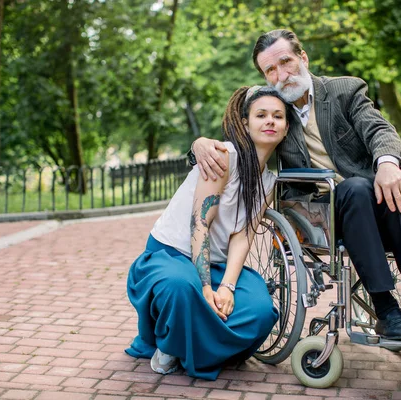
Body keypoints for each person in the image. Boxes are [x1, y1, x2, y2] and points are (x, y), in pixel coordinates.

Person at [190, 29, 401, 351]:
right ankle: (386, 309)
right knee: (354, 189)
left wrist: (387, 164)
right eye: (270, 70)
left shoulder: (345, 90)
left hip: (377, 201)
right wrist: (198, 144)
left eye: (286, 62)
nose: (281, 75)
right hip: (323, 212)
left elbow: (379, 127)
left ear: (303, 58)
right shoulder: (275, 112)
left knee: (398, 186)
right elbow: (235, 133)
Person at [125, 86, 291, 381]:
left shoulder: (269, 181)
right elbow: (199, 224)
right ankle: (171, 345)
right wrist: (205, 289)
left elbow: (244, 236)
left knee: (260, 309)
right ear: (245, 123)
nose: (270, 121)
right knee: (181, 288)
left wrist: (226, 286)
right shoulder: (223, 158)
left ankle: (191, 341)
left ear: (286, 126)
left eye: (278, 116)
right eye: (261, 115)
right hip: (172, 254)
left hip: (216, 264)